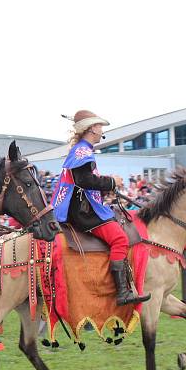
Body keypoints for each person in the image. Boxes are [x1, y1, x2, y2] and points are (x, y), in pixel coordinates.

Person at [51, 110, 149, 306]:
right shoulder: (82, 151)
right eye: (100, 126)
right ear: (92, 128)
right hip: (83, 212)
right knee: (120, 239)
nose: (102, 130)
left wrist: (108, 186)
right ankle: (122, 293)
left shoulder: (82, 151)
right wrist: (112, 182)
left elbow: (85, 182)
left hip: (82, 207)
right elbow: (85, 180)